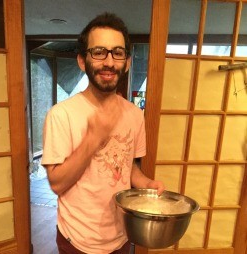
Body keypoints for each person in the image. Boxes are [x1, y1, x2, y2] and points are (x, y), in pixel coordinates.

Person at [41, 12, 165, 254]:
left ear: (126, 62)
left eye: (117, 53)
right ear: (82, 60)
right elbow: (57, 184)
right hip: (76, 239)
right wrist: (93, 138)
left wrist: (147, 184)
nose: (109, 61)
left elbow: (130, 169)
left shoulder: (134, 115)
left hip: (120, 236)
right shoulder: (61, 114)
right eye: (99, 52)